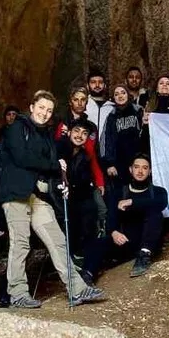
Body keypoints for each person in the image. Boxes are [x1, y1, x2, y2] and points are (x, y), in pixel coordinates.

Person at [0, 91, 104, 308]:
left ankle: (77, 288)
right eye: (41, 108)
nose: (44, 113)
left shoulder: (47, 135)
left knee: (57, 240)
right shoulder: (17, 127)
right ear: (31, 107)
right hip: (15, 194)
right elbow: (22, 157)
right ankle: (18, 294)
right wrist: (55, 165)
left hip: (37, 196)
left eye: (49, 110)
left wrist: (60, 183)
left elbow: (51, 167)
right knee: (21, 243)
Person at [101, 155, 168, 277]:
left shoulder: (158, 191)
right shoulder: (119, 192)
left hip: (148, 244)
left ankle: (144, 255)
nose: (140, 171)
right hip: (125, 241)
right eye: (136, 167)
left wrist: (132, 202)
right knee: (97, 244)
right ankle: (87, 276)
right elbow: (110, 216)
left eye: (145, 168)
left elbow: (161, 203)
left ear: (150, 171)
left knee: (155, 212)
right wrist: (114, 232)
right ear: (130, 169)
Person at [57, 118, 106, 282]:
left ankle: (88, 269)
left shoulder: (85, 155)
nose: (80, 135)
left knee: (91, 217)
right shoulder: (59, 148)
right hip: (61, 199)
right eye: (77, 131)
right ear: (69, 132)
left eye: (84, 133)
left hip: (79, 198)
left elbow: (84, 182)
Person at [101, 85, 145, 221]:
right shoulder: (112, 116)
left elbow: (145, 134)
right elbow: (107, 140)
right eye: (116, 94)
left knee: (139, 195)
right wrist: (109, 163)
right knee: (121, 196)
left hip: (138, 162)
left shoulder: (138, 111)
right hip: (119, 165)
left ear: (128, 95)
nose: (120, 96)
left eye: (123, 93)